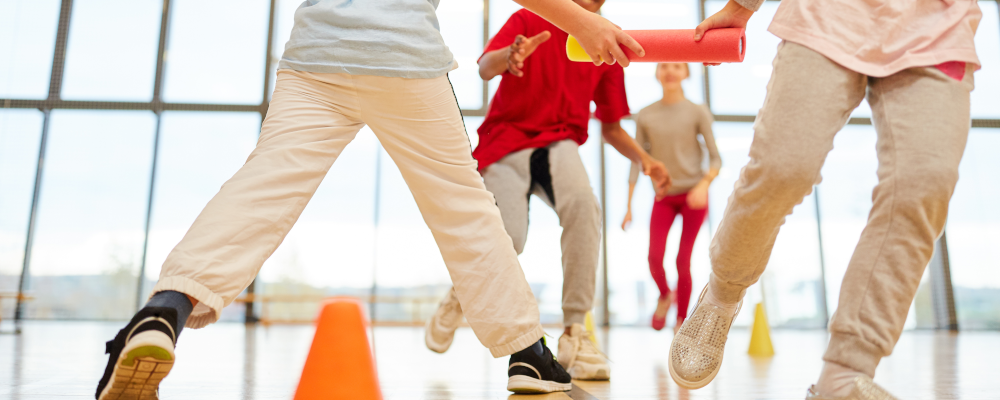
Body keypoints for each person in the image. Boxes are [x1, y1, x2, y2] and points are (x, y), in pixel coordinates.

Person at [93, 0, 649, 398]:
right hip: (403, 55)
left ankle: (165, 309)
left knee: (260, 188)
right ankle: (526, 354)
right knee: (464, 208)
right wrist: (585, 22)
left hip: (315, 53)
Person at [666, 0, 981, 398]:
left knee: (923, 187)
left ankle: (845, 372)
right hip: (828, 14)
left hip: (937, 26)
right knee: (783, 169)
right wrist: (743, 5)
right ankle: (723, 292)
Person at [423, 0, 670, 382]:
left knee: (585, 209)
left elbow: (612, 126)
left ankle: (575, 333)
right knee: (510, 240)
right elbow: (486, 68)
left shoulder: (608, 40)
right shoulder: (530, 15)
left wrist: (645, 160)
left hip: (560, 142)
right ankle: (460, 295)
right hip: (507, 140)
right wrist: (510, 55)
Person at [621, 62, 720, 334]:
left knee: (682, 260)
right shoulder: (645, 115)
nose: (670, 71)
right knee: (654, 257)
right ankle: (665, 294)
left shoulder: (697, 111)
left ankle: (680, 323)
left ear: (687, 73)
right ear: (656, 74)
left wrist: (704, 184)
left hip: (693, 196)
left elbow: (715, 157)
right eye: (664, 66)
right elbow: (636, 161)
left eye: (677, 66)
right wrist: (628, 206)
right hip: (664, 196)